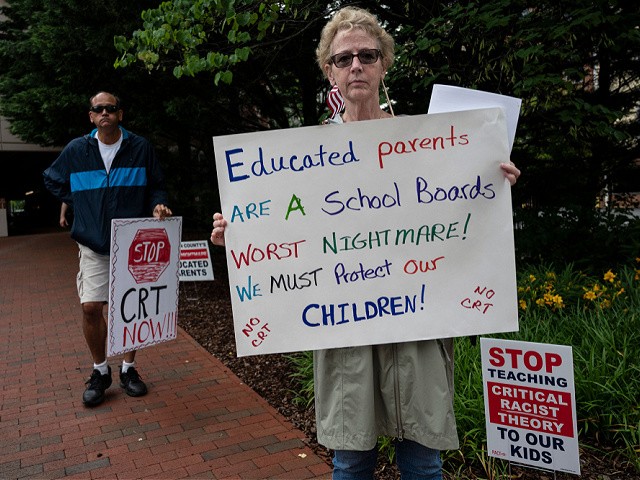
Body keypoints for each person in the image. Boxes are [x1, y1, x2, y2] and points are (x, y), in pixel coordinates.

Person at [211, 7, 521, 479]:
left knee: (423, 462)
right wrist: (238, 233)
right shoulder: (302, 156)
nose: (356, 65)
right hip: (344, 332)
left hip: (417, 323)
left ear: (383, 64)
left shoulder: (431, 144)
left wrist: (494, 186)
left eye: (367, 55)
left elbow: (459, 217)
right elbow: (284, 233)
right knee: (352, 462)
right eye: (344, 58)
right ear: (329, 70)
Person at [43, 91, 172, 407]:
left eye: (110, 108)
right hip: (94, 242)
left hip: (132, 242)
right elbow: (52, 180)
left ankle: (129, 368)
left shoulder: (139, 148)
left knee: (131, 307)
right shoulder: (78, 150)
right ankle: (100, 371)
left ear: (120, 114)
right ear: (91, 116)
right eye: (98, 109)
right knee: (91, 307)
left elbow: (157, 184)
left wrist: (158, 204)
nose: (105, 113)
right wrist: (81, 204)